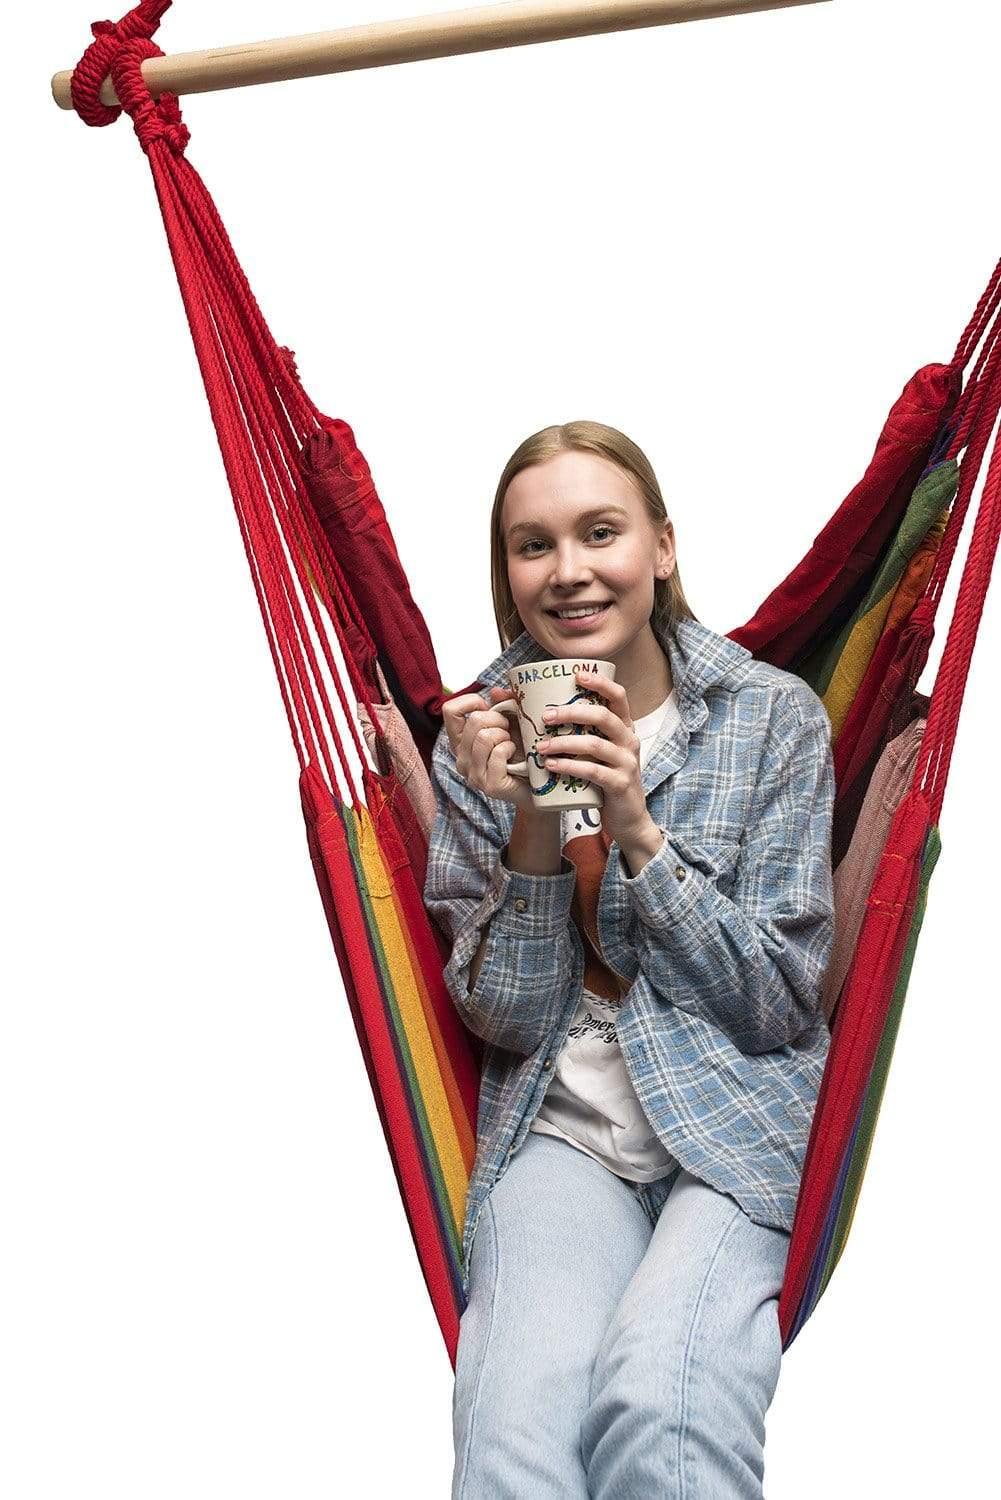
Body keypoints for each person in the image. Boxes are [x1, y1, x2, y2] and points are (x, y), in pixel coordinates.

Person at [424, 420, 835, 1498]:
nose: (567, 571)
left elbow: (778, 1001)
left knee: (662, 1412)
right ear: (506, 576)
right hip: (560, 1140)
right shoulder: (477, 737)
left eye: (598, 532)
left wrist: (635, 831)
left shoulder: (769, 720)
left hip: (732, 1136)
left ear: (659, 546)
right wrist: (525, 821)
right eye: (532, 545)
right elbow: (507, 1021)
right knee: (514, 1442)